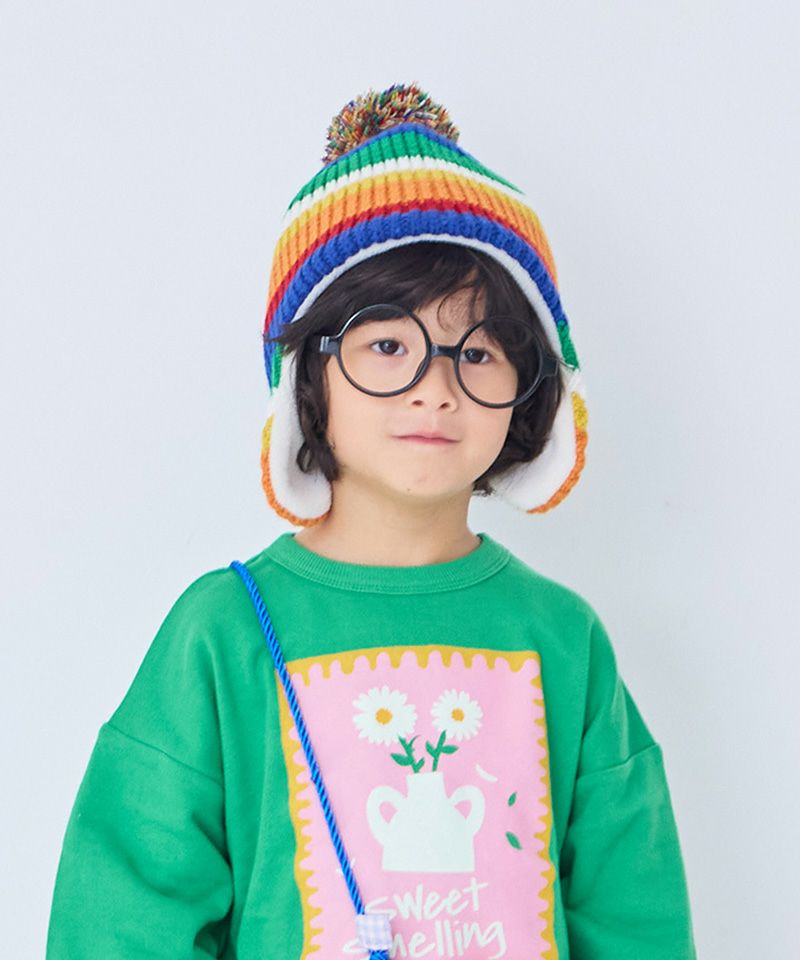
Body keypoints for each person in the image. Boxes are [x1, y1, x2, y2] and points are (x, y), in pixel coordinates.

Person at [46, 82, 697, 959]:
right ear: (307, 377)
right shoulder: (222, 633)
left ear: (531, 387)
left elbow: (635, 920)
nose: (436, 387)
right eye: (388, 345)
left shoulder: (564, 639)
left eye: (478, 351)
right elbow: (122, 922)